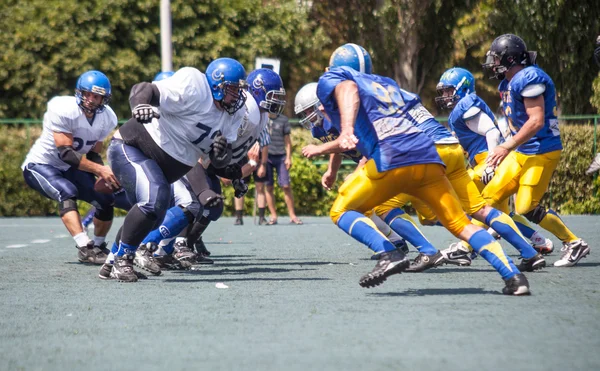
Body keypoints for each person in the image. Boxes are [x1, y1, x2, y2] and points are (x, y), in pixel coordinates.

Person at [316, 43, 530, 295]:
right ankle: (514, 277)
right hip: (429, 156)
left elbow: (348, 87)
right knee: (462, 224)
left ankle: (389, 251)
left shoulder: (337, 80)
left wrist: (348, 130)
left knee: (341, 209)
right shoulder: (386, 83)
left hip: (396, 158)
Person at [102, 58, 247, 282]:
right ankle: (123, 260)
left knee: (155, 212)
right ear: (217, 85)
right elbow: (144, 89)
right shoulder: (195, 86)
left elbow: (218, 162)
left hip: (164, 169)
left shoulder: (232, 114)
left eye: (238, 90)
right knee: (154, 199)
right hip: (133, 147)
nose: (236, 96)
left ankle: (111, 262)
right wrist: (139, 105)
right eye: (232, 89)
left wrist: (221, 154)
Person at [481, 34, 589, 267]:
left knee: (525, 207)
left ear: (510, 59)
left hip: (541, 150)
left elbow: (536, 120)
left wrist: (505, 147)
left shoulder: (529, 77)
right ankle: (527, 250)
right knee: (488, 198)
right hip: (522, 151)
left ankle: (573, 242)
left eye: (497, 58)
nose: (493, 64)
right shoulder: (507, 82)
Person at [297, 81, 436, 262]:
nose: (308, 116)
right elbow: (338, 146)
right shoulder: (320, 128)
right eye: (304, 113)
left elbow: (365, 145)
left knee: (366, 202)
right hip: (382, 161)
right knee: (431, 214)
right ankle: (400, 243)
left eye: (309, 110)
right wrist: (331, 171)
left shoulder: (344, 116)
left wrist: (357, 173)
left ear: (321, 104)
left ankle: (411, 247)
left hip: (389, 157)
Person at [435, 67, 554, 265]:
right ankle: (539, 241)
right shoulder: (460, 110)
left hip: (488, 161)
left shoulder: (467, 104)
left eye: (449, 90)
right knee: (499, 213)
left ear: (461, 88)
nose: (445, 95)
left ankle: (466, 247)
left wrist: (491, 165)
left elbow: (492, 132)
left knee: (472, 201)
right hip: (484, 161)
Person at [175, 68, 286, 261]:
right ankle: (171, 244)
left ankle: (188, 245)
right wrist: (244, 167)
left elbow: (236, 150)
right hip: (199, 159)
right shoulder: (246, 113)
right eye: (272, 94)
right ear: (258, 91)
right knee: (194, 203)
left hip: (213, 163)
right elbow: (223, 144)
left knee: (213, 207)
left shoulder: (260, 116)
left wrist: (236, 177)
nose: (277, 100)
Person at [22, 70, 119, 265]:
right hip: (42, 164)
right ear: (80, 93)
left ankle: (98, 246)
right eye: (88, 94)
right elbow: (66, 153)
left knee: (105, 199)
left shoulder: (107, 118)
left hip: (70, 168)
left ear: (104, 98)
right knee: (67, 192)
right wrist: (100, 170)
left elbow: (93, 153)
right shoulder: (63, 108)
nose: (91, 100)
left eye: (97, 96)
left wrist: (101, 173)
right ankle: (85, 247)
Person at [82, 70, 176, 232]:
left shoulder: (183, 118)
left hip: (162, 171)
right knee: (150, 202)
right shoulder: (146, 116)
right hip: (141, 169)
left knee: (176, 201)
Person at [264, 111, 302, 225]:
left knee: (286, 186)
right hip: (267, 157)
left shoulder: (284, 120)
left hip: (281, 156)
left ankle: (292, 215)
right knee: (269, 187)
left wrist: (288, 157)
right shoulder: (262, 119)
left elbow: (287, 141)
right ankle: (273, 216)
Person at [233, 128, 271, 225]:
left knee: (260, 187)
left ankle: (262, 217)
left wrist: (263, 165)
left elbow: (265, 145)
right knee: (239, 186)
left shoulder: (261, 124)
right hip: (241, 159)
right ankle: (238, 217)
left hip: (258, 158)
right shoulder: (240, 122)